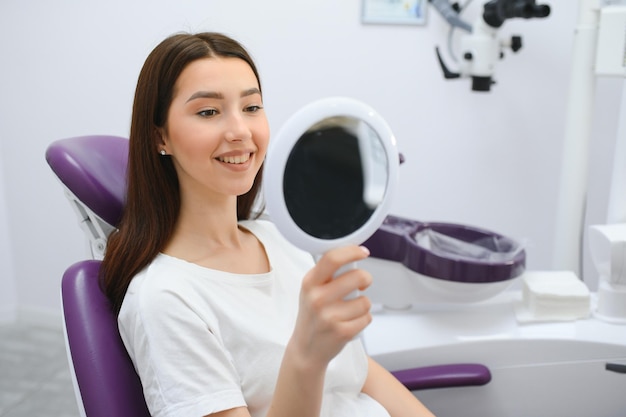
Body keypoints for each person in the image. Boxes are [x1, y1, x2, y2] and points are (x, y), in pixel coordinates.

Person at [101, 32, 435, 417]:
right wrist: (306, 357)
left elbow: (359, 374)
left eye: (252, 107)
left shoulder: (280, 239)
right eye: (209, 112)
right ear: (161, 137)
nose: (240, 131)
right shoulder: (164, 299)